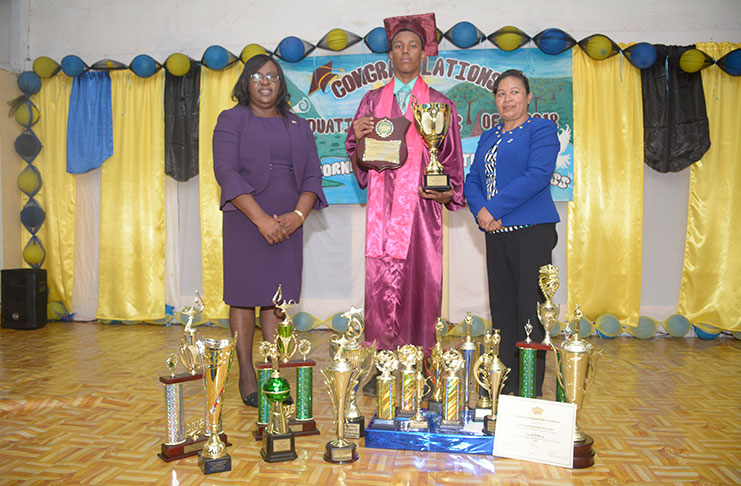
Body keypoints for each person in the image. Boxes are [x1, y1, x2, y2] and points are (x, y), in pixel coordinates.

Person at [345, 13, 465, 395]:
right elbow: (356, 151)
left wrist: (448, 191)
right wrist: (358, 136)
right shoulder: (371, 100)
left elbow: (450, 158)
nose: (405, 51)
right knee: (379, 282)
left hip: (420, 212)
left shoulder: (440, 104)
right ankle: (381, 365)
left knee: (421, 286)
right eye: (398, 46)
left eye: (413, 45)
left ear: (424, 53)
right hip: (382, 210)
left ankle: (421, 370)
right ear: (390, 55)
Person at [213, 54, 327, 407]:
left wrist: (298, 216)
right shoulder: (231, 120)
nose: (265, 82)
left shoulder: (298, 125)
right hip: (246, 219)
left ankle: (273, 369)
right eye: (258, 76)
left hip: (288, 222)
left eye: (273, 77)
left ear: (281, 85)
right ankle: (246, 370)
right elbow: (226, 173)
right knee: (245, 296)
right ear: (246, 82)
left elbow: (311, 176)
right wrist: (261, 219)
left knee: (276, 298)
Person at [463, 69, 560, 397]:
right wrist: (481, 213)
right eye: (501, 93)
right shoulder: (489, 136)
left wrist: (496, 209)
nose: (508, 99)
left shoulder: (542, 130)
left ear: (529, 97)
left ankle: (529, 387)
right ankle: (502, 383)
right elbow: (473, 179)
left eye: (515, 92)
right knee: (502, 309)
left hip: (532, 233)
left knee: (528, 310)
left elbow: (537, 175)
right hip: (495, 233)